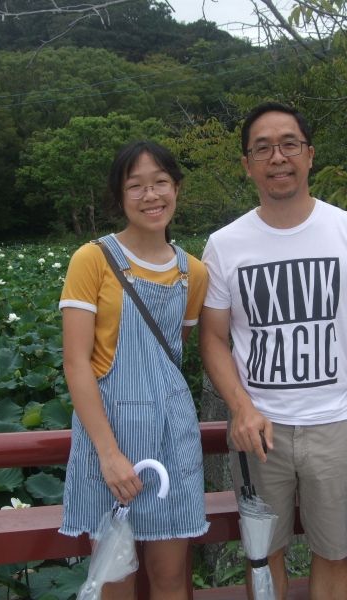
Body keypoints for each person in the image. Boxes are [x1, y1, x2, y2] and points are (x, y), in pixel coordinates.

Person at [199, 101, 347, 600]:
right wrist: (240, 407)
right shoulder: (225, 243)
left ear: (309, 154)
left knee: (334, 550)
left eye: (288, 145)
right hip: (262, 429)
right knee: (263, 553)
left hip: (333, 425)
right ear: (247, 164)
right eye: (262, 148)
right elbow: (212, 339)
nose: (277, 157)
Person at [58, 140, 209, 599]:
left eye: (161, 182)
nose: (151, 196)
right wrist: (108, 453)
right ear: (120, 197)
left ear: (177, 188)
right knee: (114, 579)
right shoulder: (92, 260)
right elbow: (76, 363)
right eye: (136, 186)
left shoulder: (194, 273)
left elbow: (171, 357)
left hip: (171, 436)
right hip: (110, 436)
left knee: (170, 577)